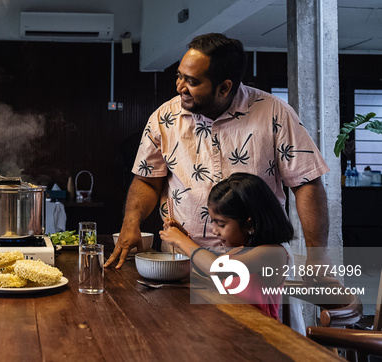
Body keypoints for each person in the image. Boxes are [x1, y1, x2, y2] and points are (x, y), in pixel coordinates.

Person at [105, 33, 329, 269]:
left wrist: (318, 261)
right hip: (181, 261)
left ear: (224, 87)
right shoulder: (164, 117)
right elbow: (147, 181)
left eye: (191, 81)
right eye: (179, 76)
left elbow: (306, 183)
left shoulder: (275, 113)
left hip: (254, 263)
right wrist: (131, 222)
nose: (180, 87)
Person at [160, 173, 294, 320]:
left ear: (249, 223)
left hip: (261, 334)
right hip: (232, 326)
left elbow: (216, 268)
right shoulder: (239, 250)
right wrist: (183, 237)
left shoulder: (273, 254)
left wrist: (181, 241)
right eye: (213, 222)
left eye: (221, 224)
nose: (214, 231)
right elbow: (202, 267)